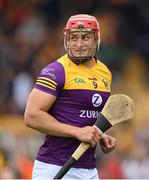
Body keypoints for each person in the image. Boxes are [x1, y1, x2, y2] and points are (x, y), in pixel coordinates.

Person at [24, 14, 117, 179]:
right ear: (67, 39)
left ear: (97, 39)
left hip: (89, 169)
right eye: (74, 38)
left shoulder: (105, 73)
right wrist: (77, 132)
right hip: (54, 167)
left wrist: (100, 136)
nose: (79, 44)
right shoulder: (56, 71)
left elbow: (85, 117)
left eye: (85, 38)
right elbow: (31, 116)